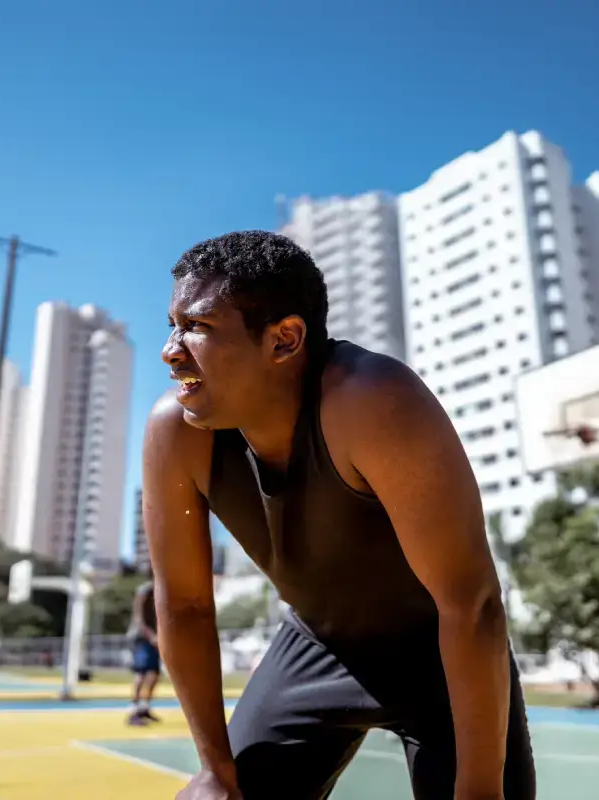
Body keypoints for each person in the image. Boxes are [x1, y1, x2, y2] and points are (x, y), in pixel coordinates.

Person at [142, 231, 535, 800]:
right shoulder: (176, 432)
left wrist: (478, 789)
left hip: (440, 651)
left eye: (197, 327)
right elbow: (183, 604)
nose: (171, 349)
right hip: (316, 642)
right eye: (172, 325)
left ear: (284, 340)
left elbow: (469, 602)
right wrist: (214, 770)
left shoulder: (371, 400)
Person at [127, 570, 163, 726]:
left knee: (154, 674)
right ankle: (133, 712)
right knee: (141, 674)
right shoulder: (145, 590)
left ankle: (144, 708)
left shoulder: (162, 591)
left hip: (155, 639)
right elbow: (138, 618)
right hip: (141, 638)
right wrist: (151, 636)